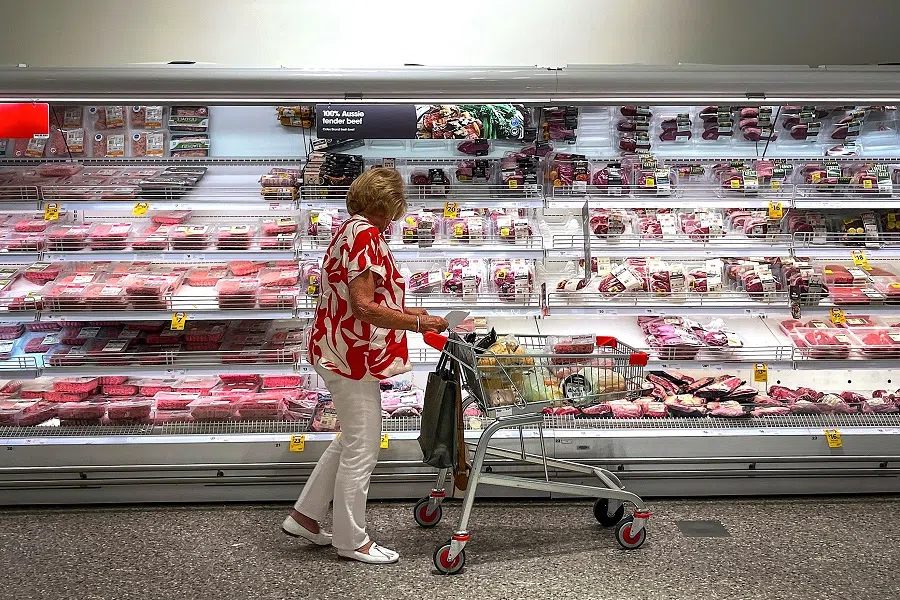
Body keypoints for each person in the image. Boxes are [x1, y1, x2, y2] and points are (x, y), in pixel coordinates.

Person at [282, 167, 448, 564]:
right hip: (349, 355)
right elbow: (363, 306)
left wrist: (408, 312)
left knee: (350, 439)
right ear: (388, 204)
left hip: (338, 344)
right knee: (364, 447)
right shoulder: (366, 236)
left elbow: (361, 300)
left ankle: (305, 516)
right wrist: (418, 322)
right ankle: (351, 540)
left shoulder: (349, 229)